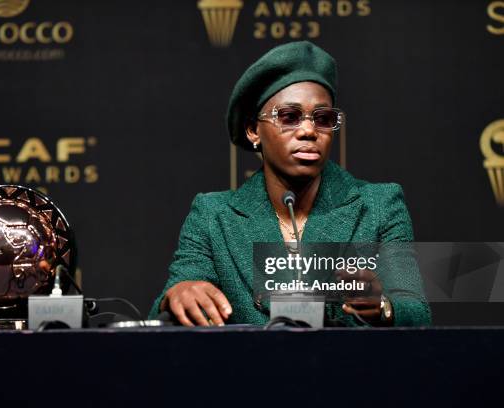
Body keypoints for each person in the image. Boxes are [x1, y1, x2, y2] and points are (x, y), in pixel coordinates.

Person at [148, 41, 431, 327]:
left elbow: (417, 315)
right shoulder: (212, 216)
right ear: (253, 130)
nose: (309, 130)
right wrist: (178, 295)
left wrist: (383, 307)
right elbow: (168, 309)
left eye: (323, 119)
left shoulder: (379, 206)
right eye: (289, 117)